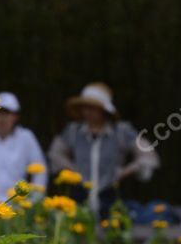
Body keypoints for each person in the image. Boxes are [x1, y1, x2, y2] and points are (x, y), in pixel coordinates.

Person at [48, 82, 159, 218]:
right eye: (85, 107)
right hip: (80, 194)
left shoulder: (121, 132)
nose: (87, 112)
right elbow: (55, 154)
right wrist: (72, 171)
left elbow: (148, 155)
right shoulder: (73, 131)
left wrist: (125, 171)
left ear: (103, 110)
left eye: (92, 108)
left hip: (110, 194)